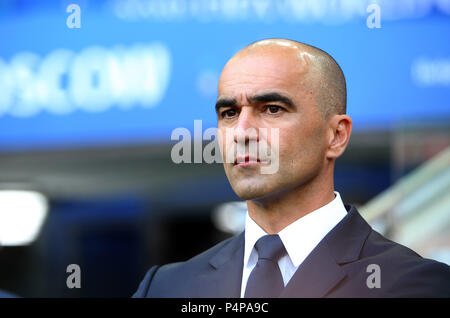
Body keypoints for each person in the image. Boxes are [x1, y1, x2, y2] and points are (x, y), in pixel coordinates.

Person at [133, 38, 450, 298]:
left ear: (336, 136)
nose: (242, 132)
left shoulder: (419, 286)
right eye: (229, 113)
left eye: (272, 109)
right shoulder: (165, 288)